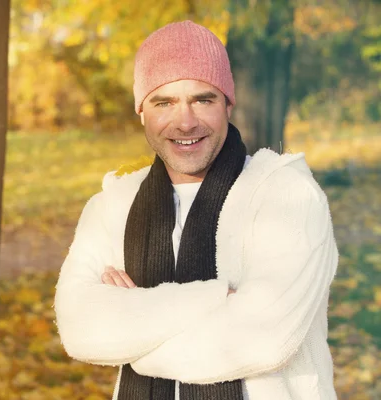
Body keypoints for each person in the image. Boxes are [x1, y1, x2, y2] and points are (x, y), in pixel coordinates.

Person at [54, 20, 338, 400]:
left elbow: (265, 341)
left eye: (203, 99)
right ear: (141, 111)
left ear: (228, 104)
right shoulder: (113, 205)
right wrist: (214, 298)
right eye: (164, 102)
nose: (185, 121)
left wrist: (133, 331)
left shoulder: (286, 196)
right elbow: (80, 330)